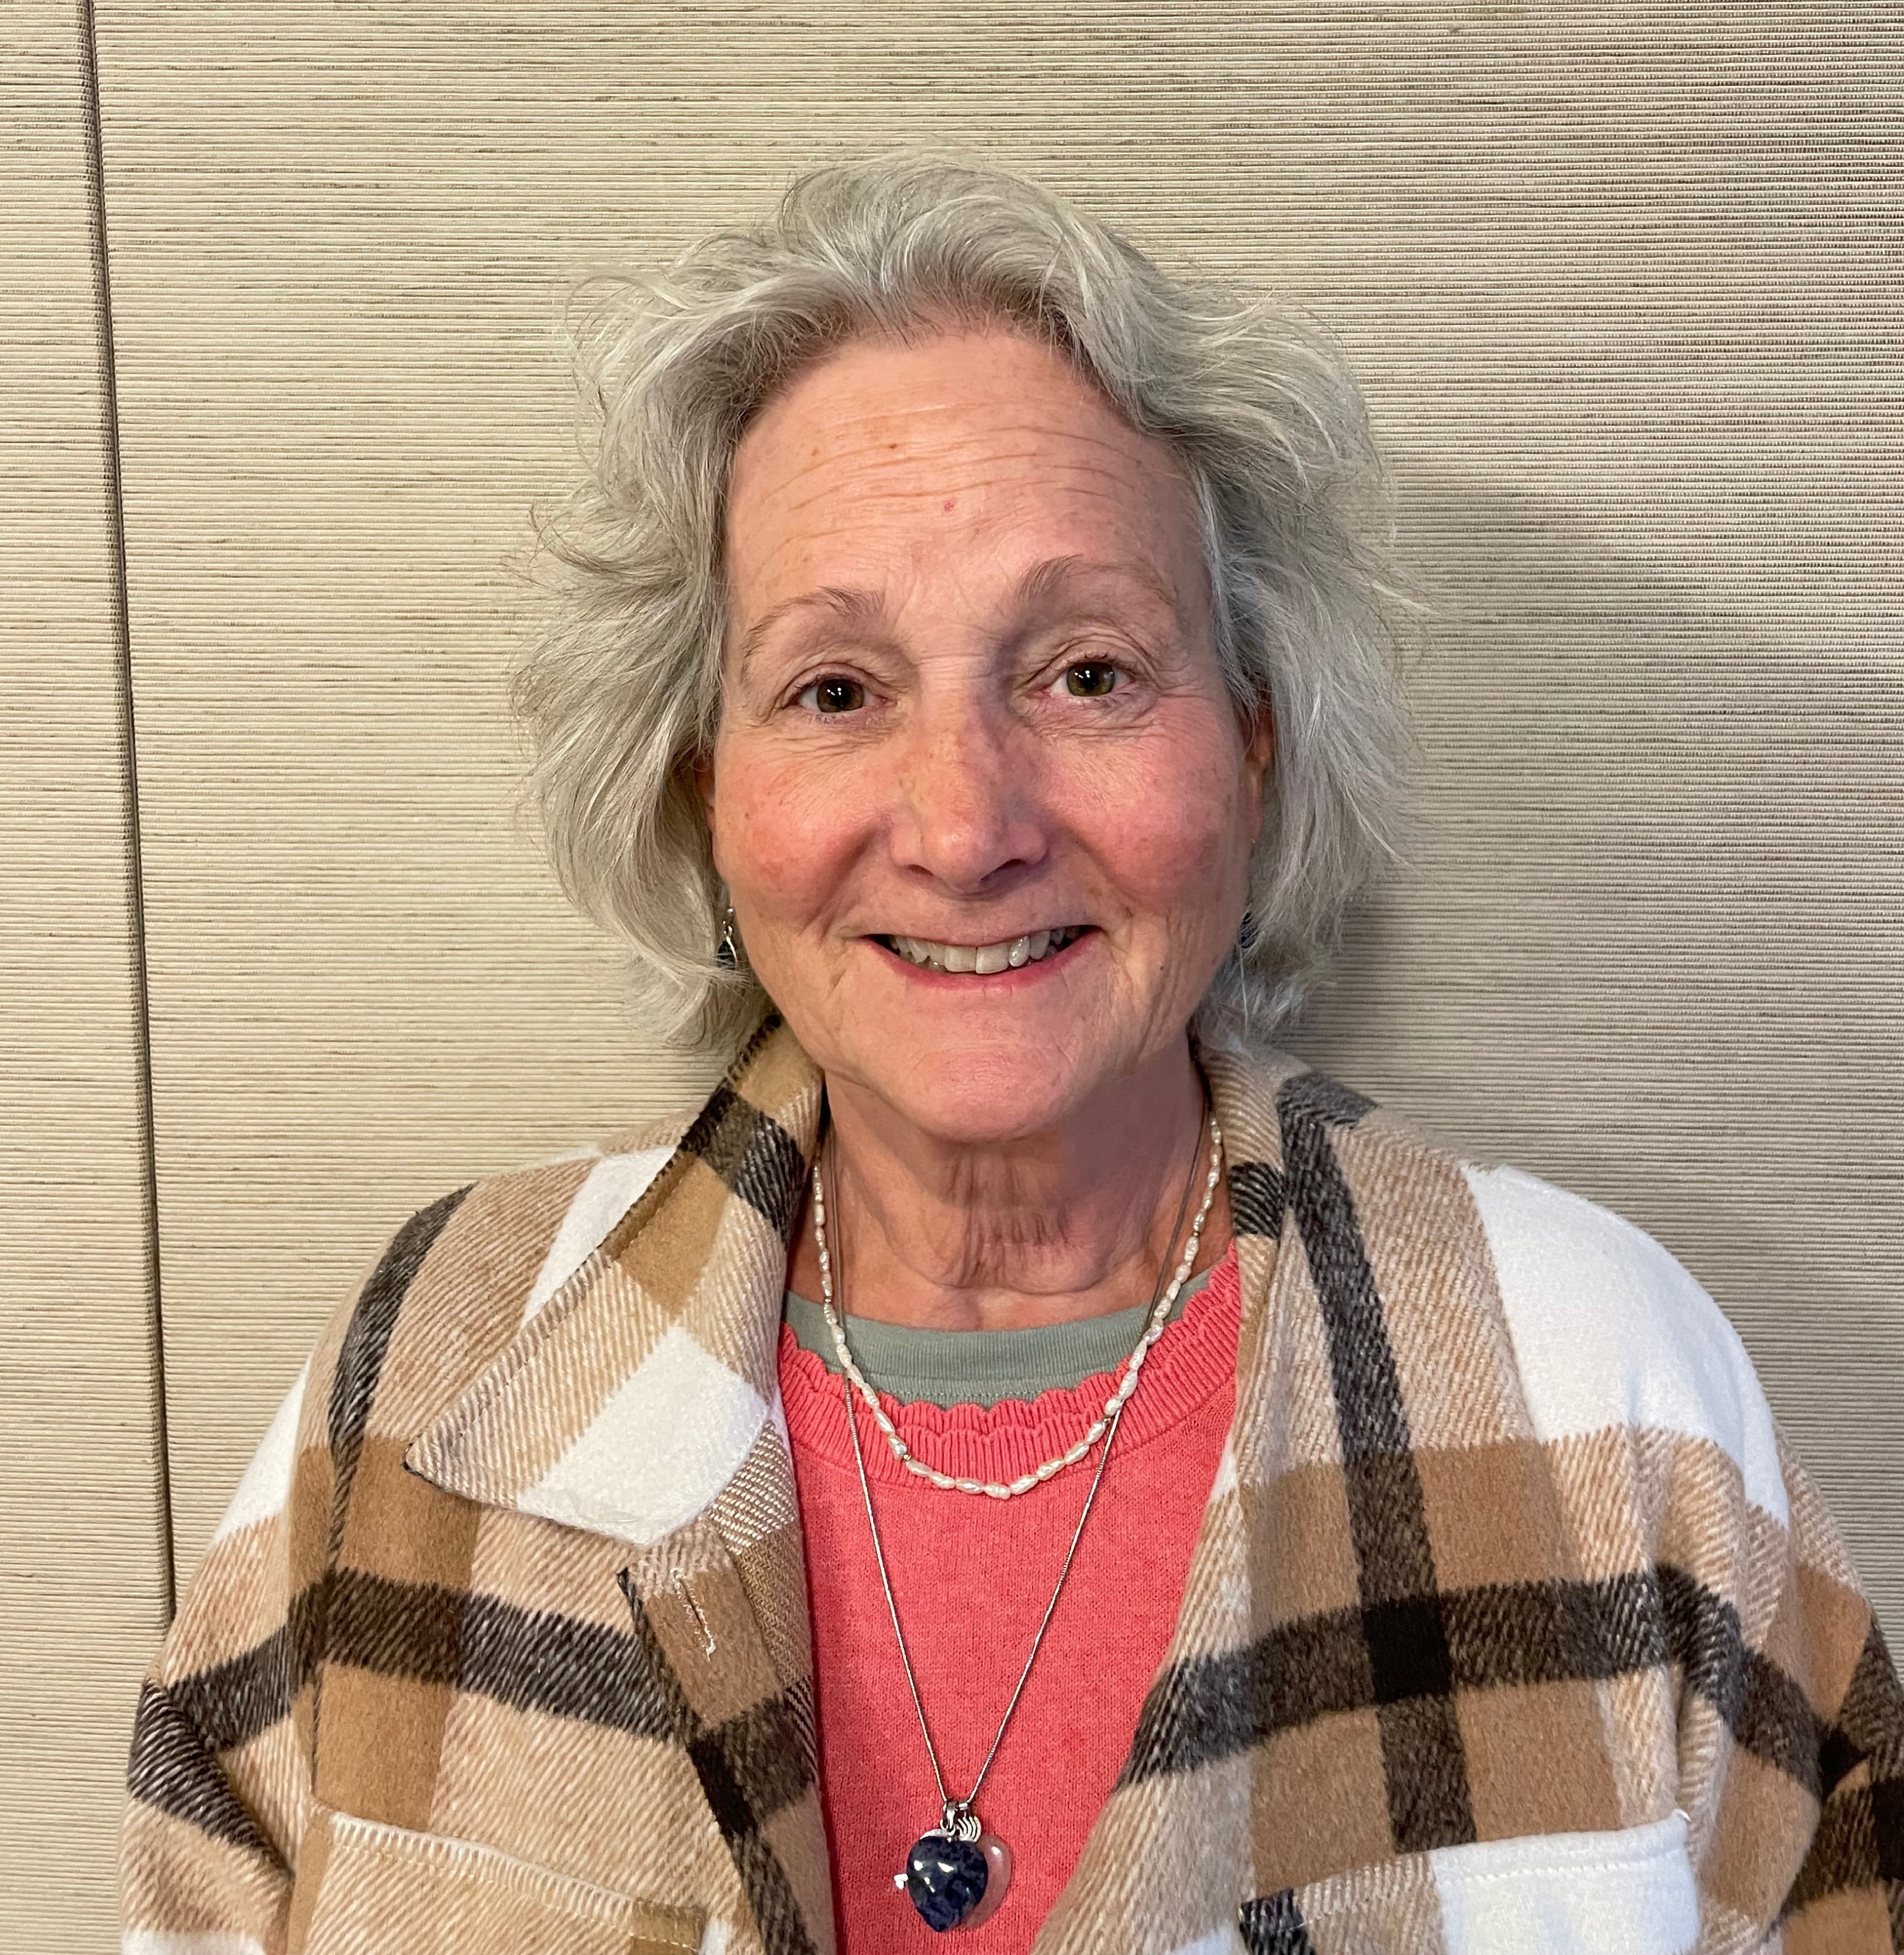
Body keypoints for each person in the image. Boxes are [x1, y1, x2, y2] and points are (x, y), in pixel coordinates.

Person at [120, 156, 1902, 1955]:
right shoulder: (432, 1375)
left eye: (1088, 674)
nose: (966, 830)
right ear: (707, 793)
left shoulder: (1602, 1391)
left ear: (1255, 750)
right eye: (835, 691)